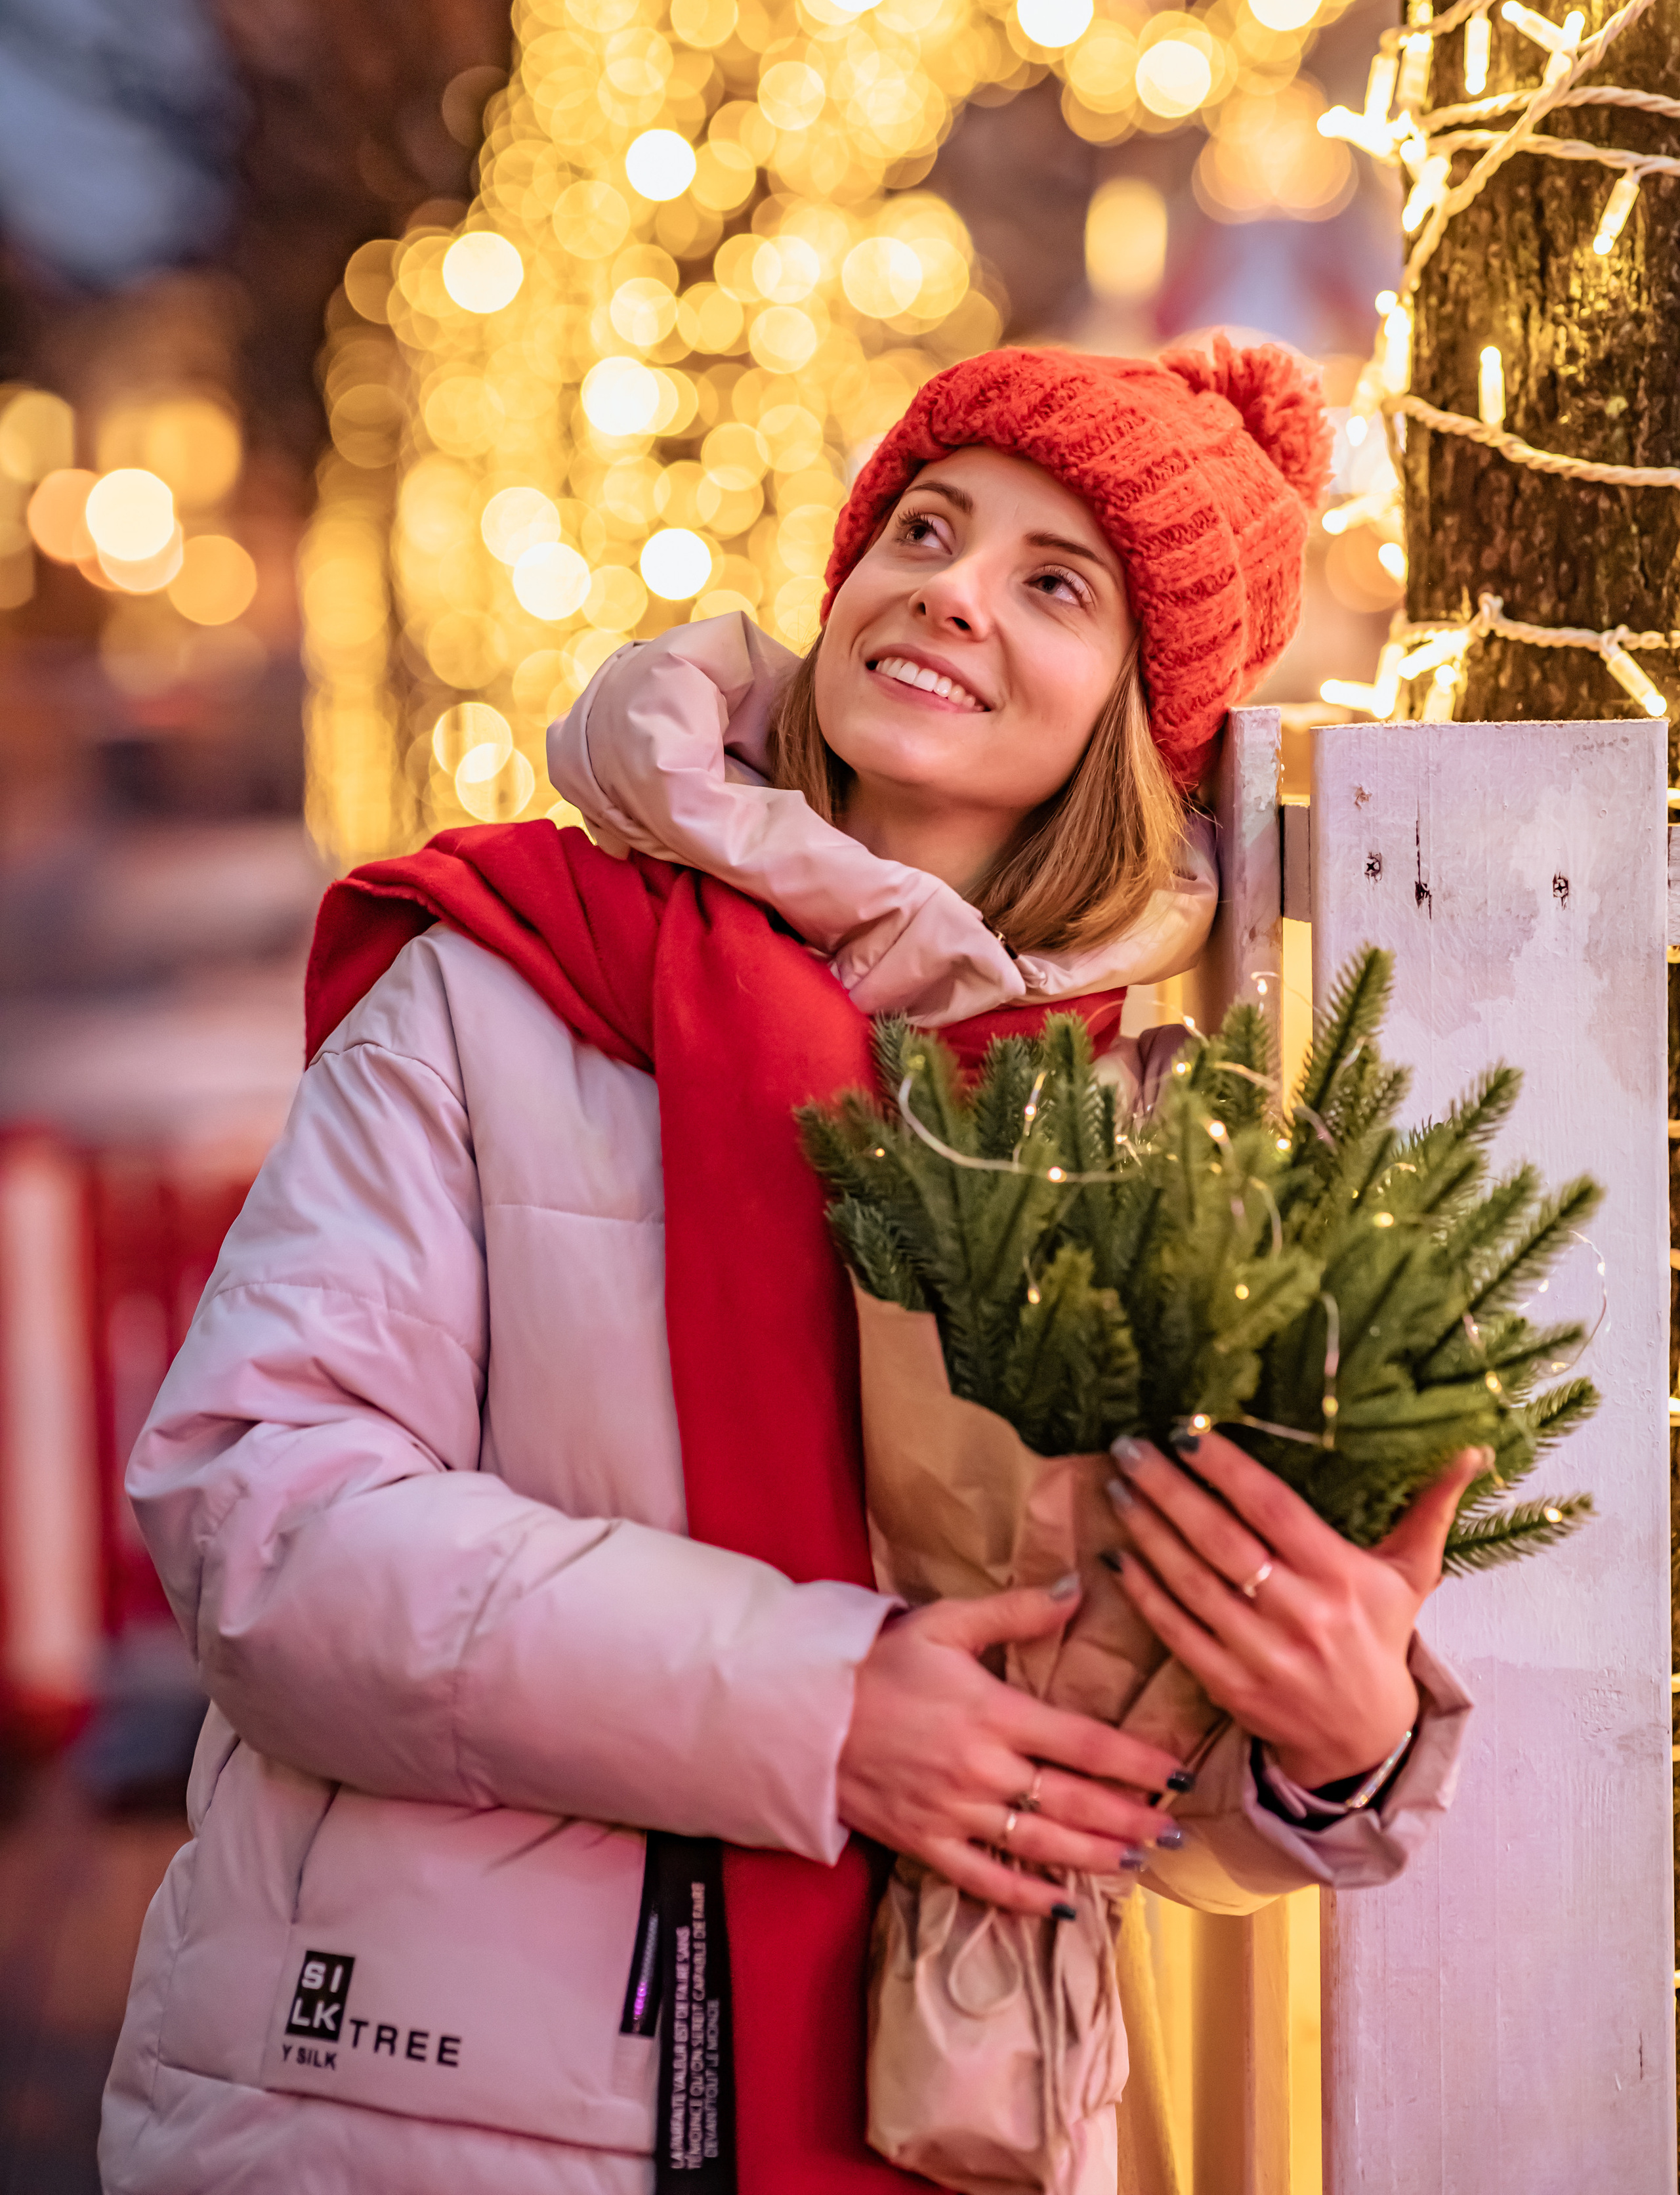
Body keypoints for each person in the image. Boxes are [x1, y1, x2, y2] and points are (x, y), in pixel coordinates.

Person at [101, 343, 1473, 2195]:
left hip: (937, 2114)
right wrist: (821, 1709)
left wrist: (1338, 1745)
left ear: (1137, 719)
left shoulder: (1152, 1143)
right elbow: (265, 1521)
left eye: (1054, 582)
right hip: (414, 2124)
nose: (950, 589)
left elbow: (1101, 1802)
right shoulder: (506, 984)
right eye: (925, 526)